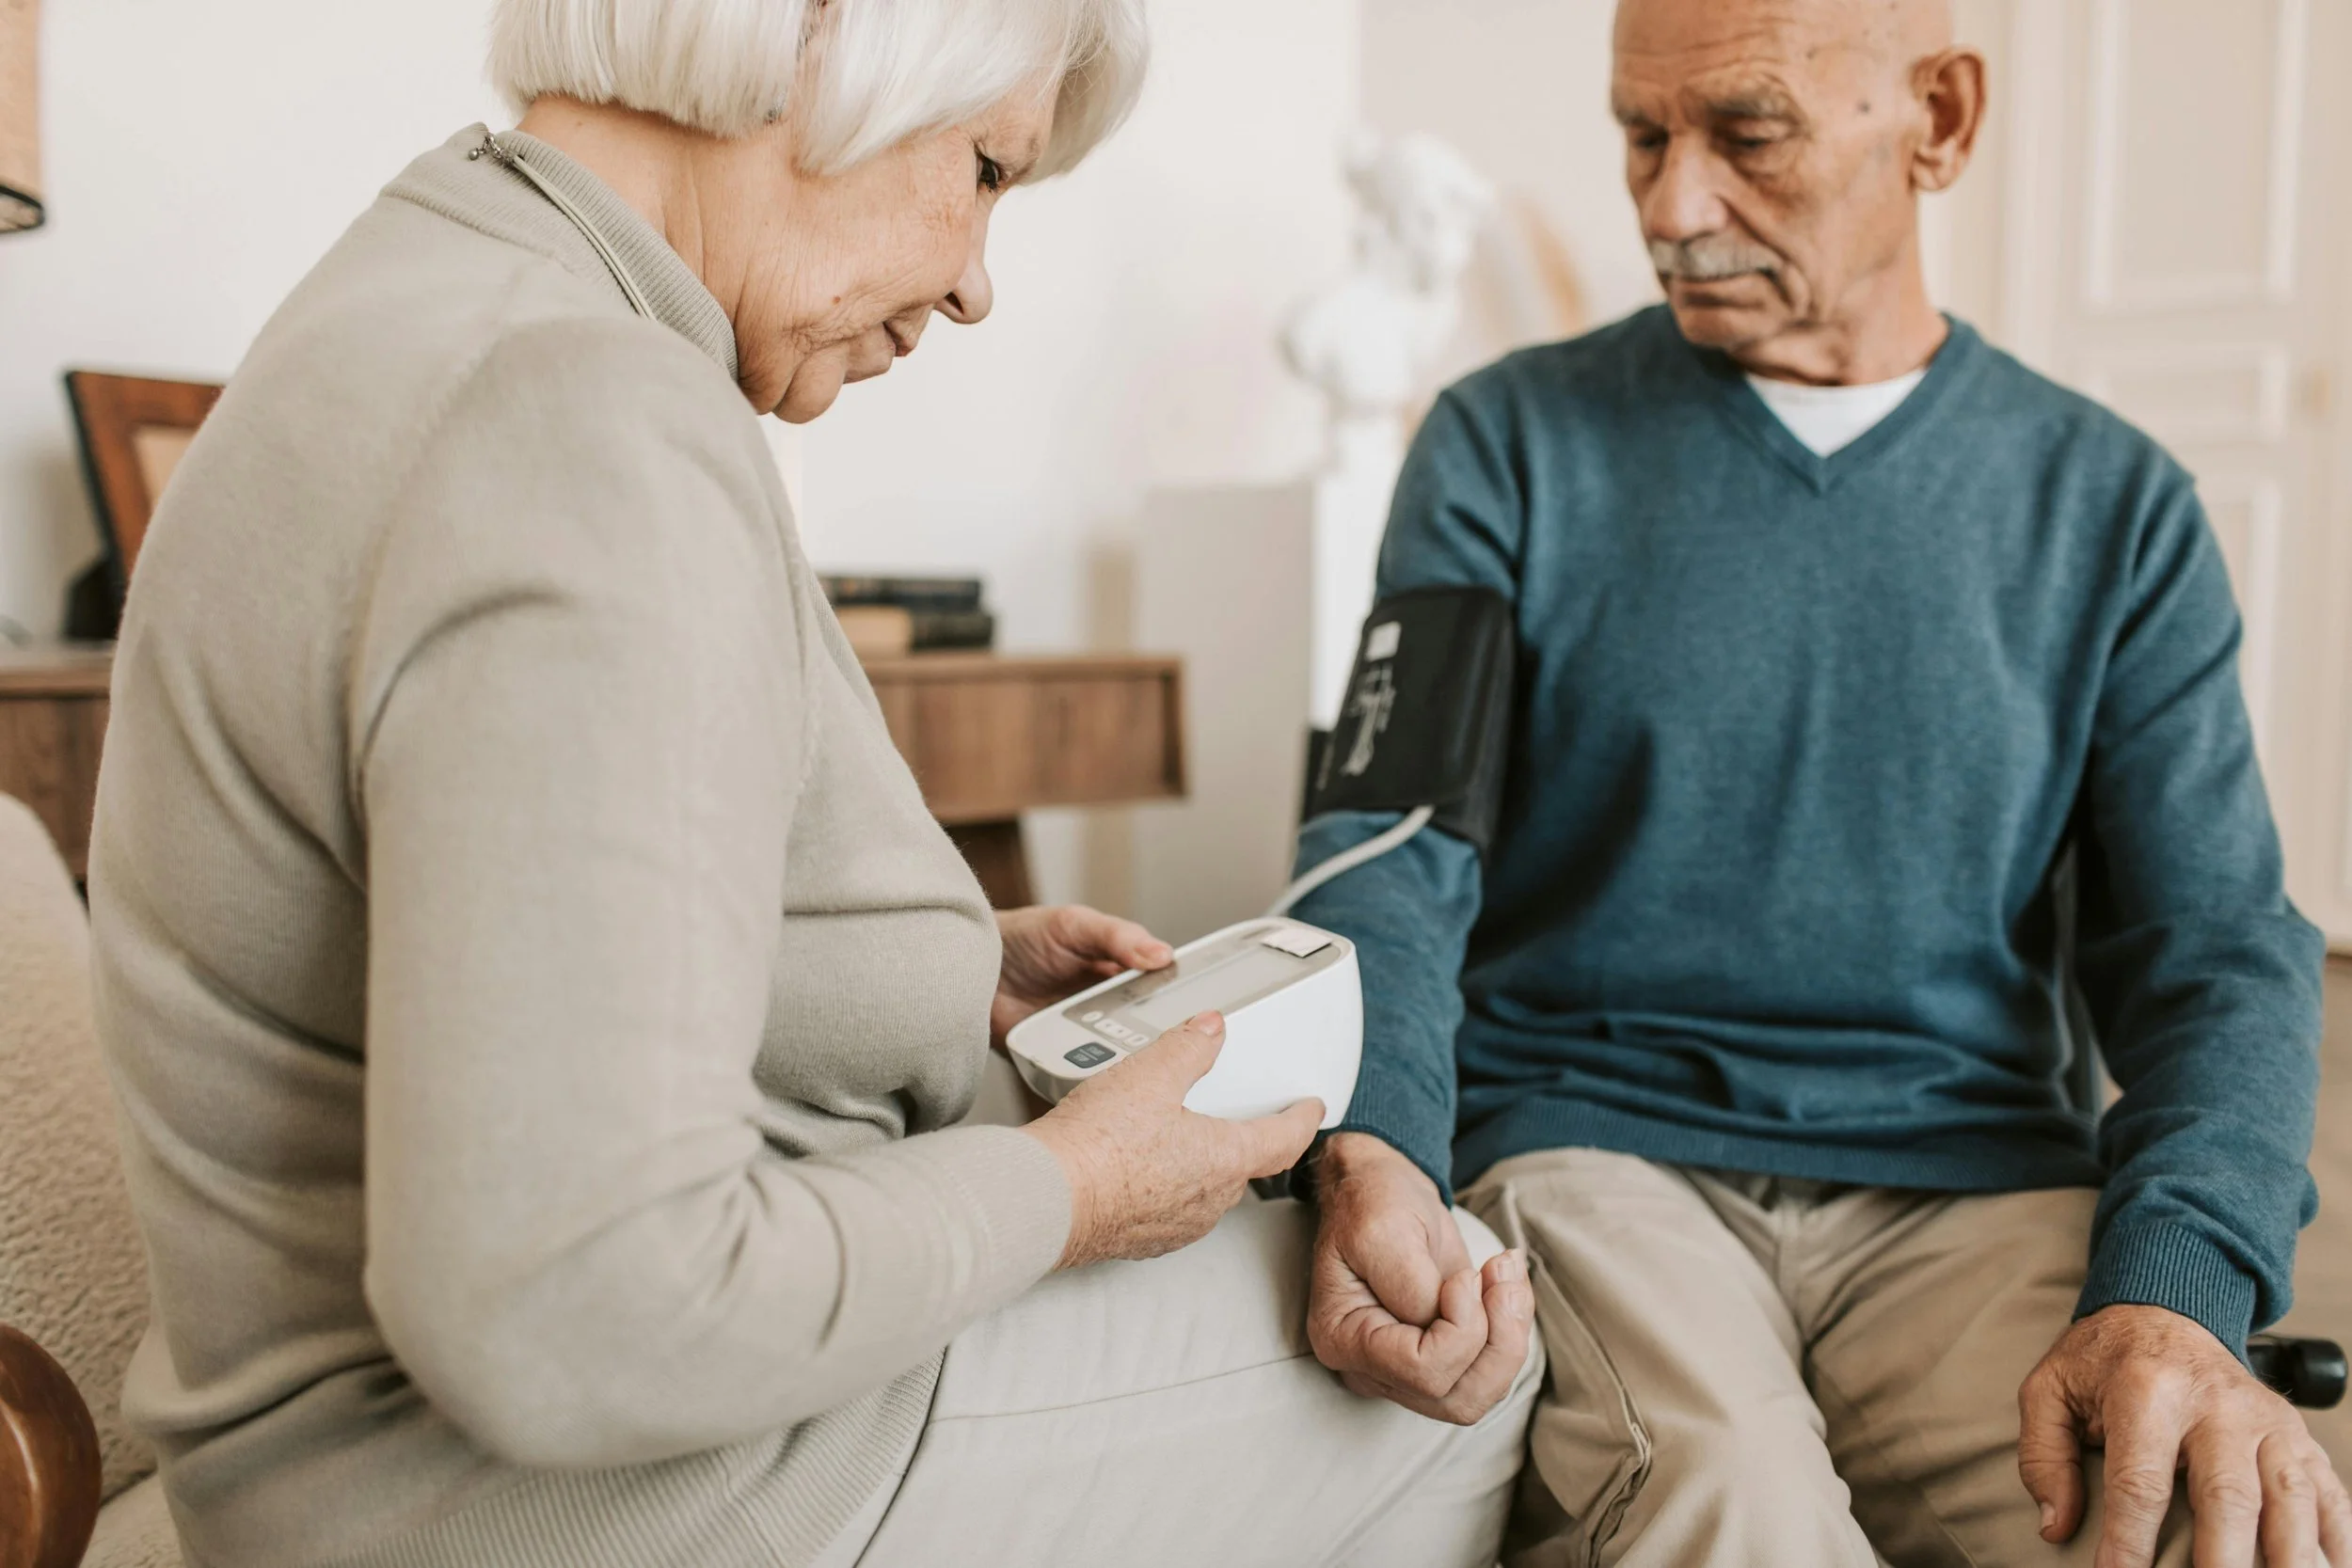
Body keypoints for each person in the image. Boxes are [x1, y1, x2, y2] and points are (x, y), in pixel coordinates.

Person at [86, 3, 1539, 1564]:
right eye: (987, 169)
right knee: (1464, 1359)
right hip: (560, 1501)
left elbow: (501, 916)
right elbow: (570, 1300)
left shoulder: (433, 287)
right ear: (825, 45)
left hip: (343, 1464)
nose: (980, 283)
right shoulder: (588, 416)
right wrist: (1068, 1187)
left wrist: (934, 962)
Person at [1289, 0, 2351, 1564]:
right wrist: (1372, 1144)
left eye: (1747, 133)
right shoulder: (1504, 446)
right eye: (1642, 137)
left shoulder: (2113, 508)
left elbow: (2215, 951)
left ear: (1940, 119)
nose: (1670, 205)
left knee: (2197, 1524)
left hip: (1969, 1181)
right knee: (1734, 1509)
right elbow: (1392, 849)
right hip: (1601, 1145)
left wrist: (2176, 1289)